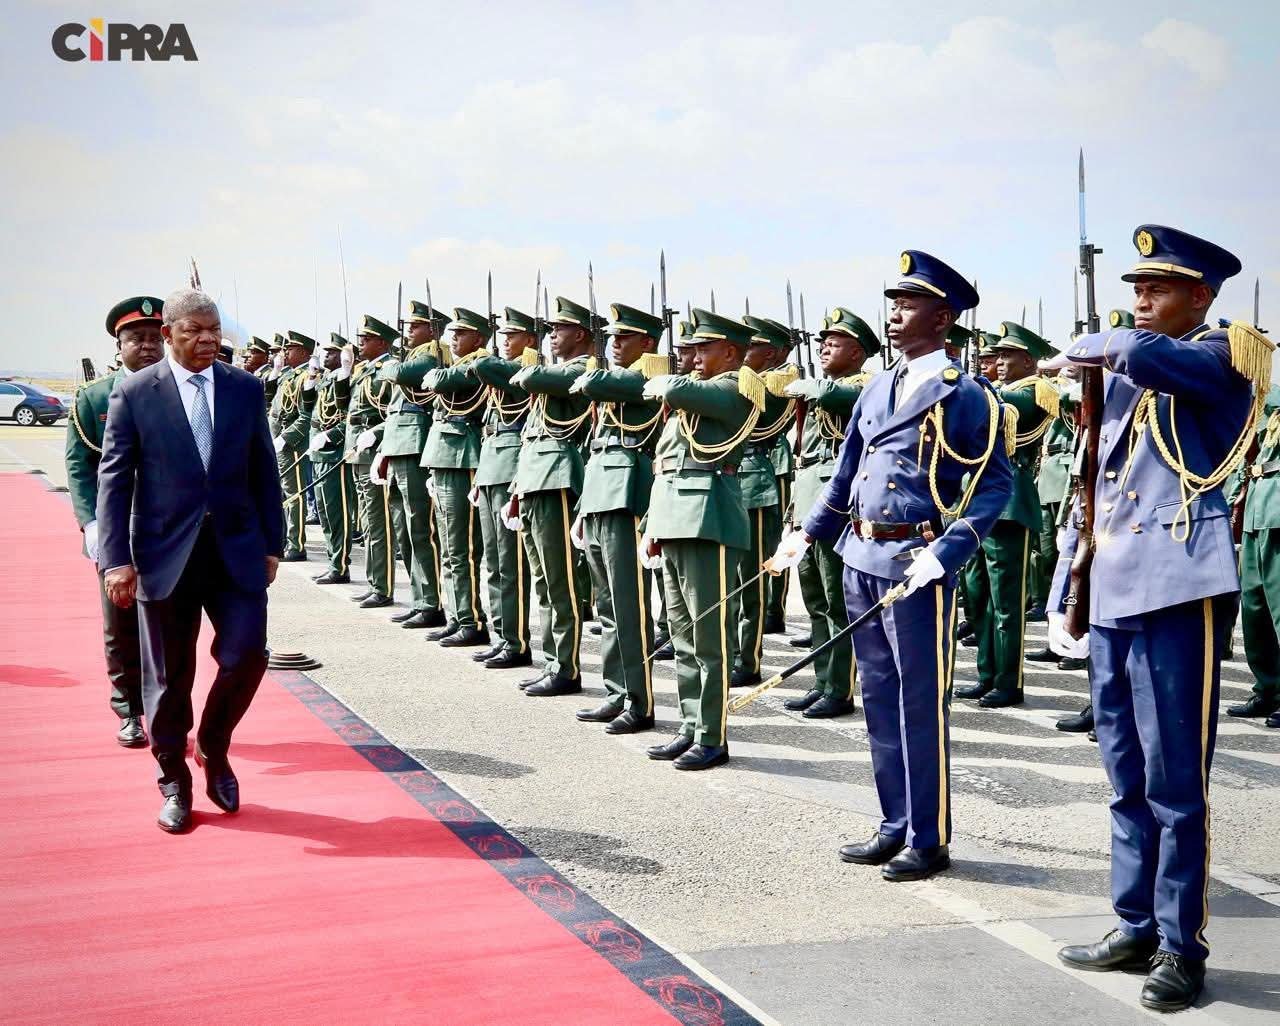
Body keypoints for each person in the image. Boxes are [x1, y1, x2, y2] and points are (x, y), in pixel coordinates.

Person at [1050, 225, 1265, 1012]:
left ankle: (1183, 946)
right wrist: (1068, 581)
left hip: (1177, 587)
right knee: (1124, 775)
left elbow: (1142, 355)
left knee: (1178, 782)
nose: (1141, 300)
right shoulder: (1129, 367)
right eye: (1136, 287)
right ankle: (1134, 921)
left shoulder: (1216, 358)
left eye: (1159, 288)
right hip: (1113, 588)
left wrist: (1099, 342)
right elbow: (1096, 482)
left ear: (1201, 296)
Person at [777, 250, 1012, 881]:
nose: (894, 314)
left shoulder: (966, 395)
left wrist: (947, 554)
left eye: (908, 304)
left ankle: (928, 836)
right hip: (860, 552)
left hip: (915, 561)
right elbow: (846, 468)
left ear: (942, 318)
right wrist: (808, 534)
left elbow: (994, 484)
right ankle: (893, 822)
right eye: (893, 303)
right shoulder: (877, 386)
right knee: (880, 698)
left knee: (918, 702)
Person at [96, 288, 284, 834]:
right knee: (170, 678)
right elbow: (113, 482)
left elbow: (263, 470)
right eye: (195, 330)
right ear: (170, 331)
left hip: (237, 550)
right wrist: (115, 560)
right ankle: (173, 778)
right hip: (162, 554)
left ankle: (214, 745)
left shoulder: (245, 389)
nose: (208, 339)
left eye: (215, 330)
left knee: (248, 655)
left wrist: (274, 544)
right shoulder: (135, 393)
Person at [641, 309, 765, 769]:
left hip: (708, 517)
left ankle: (712, 735)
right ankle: (690, 725)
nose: (692, 357)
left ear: (731, 352)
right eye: (690, 349)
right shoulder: (695, 398)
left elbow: (675, 386)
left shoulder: (735, 389)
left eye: (704, 348)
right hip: (674, 517)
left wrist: (672, 380)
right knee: (683, 635)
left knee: (709, 636)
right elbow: (665, 465)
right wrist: (652, 525)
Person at [65, 295, 165, 748]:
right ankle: (129, 710)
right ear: (118, 345)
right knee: (120, 623)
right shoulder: (95, 398)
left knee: (168, 623)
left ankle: (165, 708)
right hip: (118, 525)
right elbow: (81, 466)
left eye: (154, 337)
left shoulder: (178, 389)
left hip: (169, 525)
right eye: (136, 338)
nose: (147, 346)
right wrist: (91, 524)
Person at [571, 303, 667, 733]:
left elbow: (588, 382)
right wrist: (581, 509)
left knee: (630, 607)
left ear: (647, 343)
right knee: (607, 605)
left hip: (627, 497)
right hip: (599, 495)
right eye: (610, 337)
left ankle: (639, 699)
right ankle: (616, 690)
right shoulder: (614, 384)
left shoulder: (645, 378)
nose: (613, 345)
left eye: (623, 338)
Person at [780, 307, 877, 717]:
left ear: (857, 353)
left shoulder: (865, 387)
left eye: (833, 344)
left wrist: (810, 385)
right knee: (816, 600)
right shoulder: (825, 387)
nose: (822, 348)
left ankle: (840, 689)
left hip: (837, 511)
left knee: (838, 603)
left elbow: (833, 395)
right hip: (808, 505)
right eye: (821, 343)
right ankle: (823, 681)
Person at [956, 322, 1058, 708]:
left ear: (1029, 360)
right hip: (976, 498)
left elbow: (997, 415)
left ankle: (1008, 680)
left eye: (1007, 355)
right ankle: (986, 673)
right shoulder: (994, 391)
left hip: (1010, 502)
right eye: (996, 355)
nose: (998, 362)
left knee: (1006, 601)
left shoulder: (1036, 392)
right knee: (978, 595)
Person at [507, 297, 598, 697]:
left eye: (557, 330)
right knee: (544, 580)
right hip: (534, 478)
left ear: (579, 333)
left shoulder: (582, 371)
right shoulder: (553, 372)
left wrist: (530, 365)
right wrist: (516, 487)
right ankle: (553, 661)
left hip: (558, 478)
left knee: (560, 579)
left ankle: (566, 667)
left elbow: (532, 379)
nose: (551, 338)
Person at [466, 307, 541, 669]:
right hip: (491, 465)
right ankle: (501, 635)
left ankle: (517, 641)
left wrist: (484, 355)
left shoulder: (522, 372)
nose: (504, 341)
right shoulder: (505, 371)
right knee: (493, 562)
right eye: (502, 335)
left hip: (511, 464)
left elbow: (483, 368)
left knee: (512, 564)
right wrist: (480, 477)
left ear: (530, 340)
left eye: (513, 335)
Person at [417, 308, 493, 648]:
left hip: (464, 457)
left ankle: (472, 620)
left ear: (478, 338)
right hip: (445, 458)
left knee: (463, 547)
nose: (453, 339)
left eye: (461, 333)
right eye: (452, 333)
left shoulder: (478, 365)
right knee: (449, 547)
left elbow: (442, 381)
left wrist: (435, 375)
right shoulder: (456, 365)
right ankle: (457, 614)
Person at [731, 316, 796, 689]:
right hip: (735, 478)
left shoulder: (776, 382)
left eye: (750, 346)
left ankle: (748, 657)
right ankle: (734, 649)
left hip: (757, 481)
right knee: (732, 579)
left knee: (751, 577)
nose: (744, 353)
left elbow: (765, 414)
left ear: (769, 352)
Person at [374, 301, 447, 630]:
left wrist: (390, 367)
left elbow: (403, 374)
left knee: (421, 527)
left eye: (415, 326)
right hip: (397, 445)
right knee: (404, 529)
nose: (408, 331)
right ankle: (419, 598)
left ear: (431, 330)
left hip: (415, 444)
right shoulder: (411, 355)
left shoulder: (433, 354)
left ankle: (432, 601)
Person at [1228, 384, 1280, 724]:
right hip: (1258, 508)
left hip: (1277, 511)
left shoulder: (1269, 398)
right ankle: (1268, 689)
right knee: (1255, 606)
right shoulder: (1266, 409)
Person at [345, 316, 400, 608]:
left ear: (382, 342)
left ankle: (383, 587)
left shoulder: (388, 369)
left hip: (374, 452)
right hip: (357, 451)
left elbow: (394, 414)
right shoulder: (364, 371)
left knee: (379, 524)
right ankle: (374, 582)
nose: (360, 344)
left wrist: (374, 434)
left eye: (366, 339)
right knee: (368, 523)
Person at [306, 334, 356, 585]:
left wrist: (331, 436)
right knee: (325, 514)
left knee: (338, 513)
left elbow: (350, 416)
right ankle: (333, 562)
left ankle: (340, 565)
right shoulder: (325, 379)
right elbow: (308, 408)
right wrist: (310, 379)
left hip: (334, 452)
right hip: (319, 452)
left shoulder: (347, 380)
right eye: (324, 352)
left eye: (331, 353)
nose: (326, 356)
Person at [270, 331, 316, 562]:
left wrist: (285, 438)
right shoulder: (288, 376)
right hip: (278, 443)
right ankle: (285, 539)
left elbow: (306, 416)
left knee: (293, 494)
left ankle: (296, 544)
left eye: (292, 349)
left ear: (305, 353)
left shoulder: (306, 377)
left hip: (292, 446)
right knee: (281, 494)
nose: (286, 352)